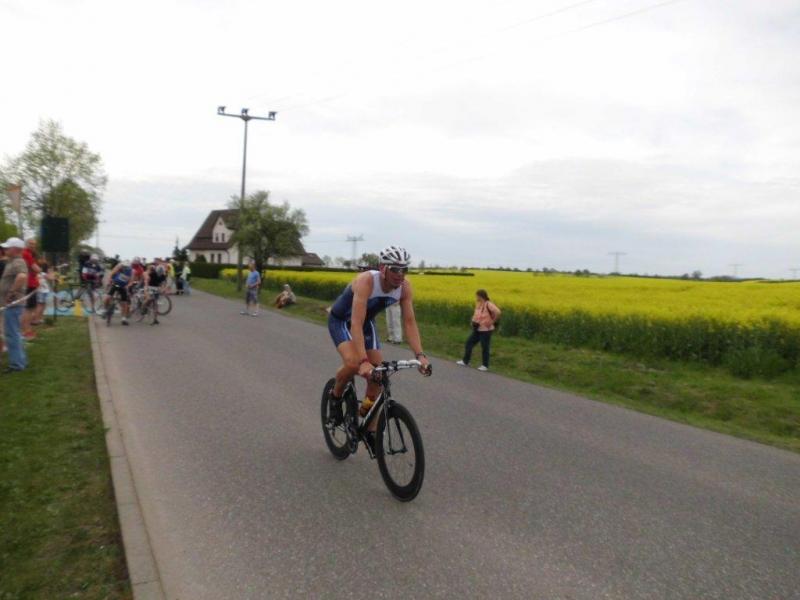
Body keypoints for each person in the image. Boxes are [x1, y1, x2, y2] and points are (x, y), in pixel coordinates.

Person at [326, 245, 431, 451]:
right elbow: (355, 323)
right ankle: (335, 397)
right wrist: (364, 361)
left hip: (366, 323)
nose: (400, 274)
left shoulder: (404, 287)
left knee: (378, 375)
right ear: (383, 268)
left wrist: (420, 355)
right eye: (395, 269)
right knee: (354, 363)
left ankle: (368, 424)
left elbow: (409, 322)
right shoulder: (366, 281)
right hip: (343, 321)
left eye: (404, 269)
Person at [0, 237, 29, 372]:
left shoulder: (18, 262)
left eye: (7, 247)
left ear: (16, 249)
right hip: (11, 304)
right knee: (13, 333)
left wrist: (11, 292)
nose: (5, 249)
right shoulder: (12, 261)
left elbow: (22, 276)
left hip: (13, 304)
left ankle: (17, 365)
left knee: (12, 334)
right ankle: (20, 361)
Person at [457, 289, 501, 372]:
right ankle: (465, 361)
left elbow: (498, 312)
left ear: (481, 296)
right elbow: (476, 315)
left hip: (486, 330)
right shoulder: (479, 304)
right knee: (469, 343)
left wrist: (492, 322)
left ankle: (485, 366)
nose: (476, 297)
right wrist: (473, 321)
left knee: (485, 347)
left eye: (477, 296)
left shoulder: (488, 304)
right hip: (477, 329)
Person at [21, 238, 41, 340]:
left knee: (30, 308)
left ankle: (27, 330)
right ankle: (26, 331)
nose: (33, 245)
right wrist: (39, 270)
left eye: (34, 244)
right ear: (26, 244)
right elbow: (36, 268)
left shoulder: (29, 254)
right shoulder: (26, 254)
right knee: (28, 309)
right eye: (30, 243)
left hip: (31, 283)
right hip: (29, 284)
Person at [105, 260, 134, 325]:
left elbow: (131, 281)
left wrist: (127, 286)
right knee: (107, 298)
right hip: (115, 284)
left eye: (126, 267)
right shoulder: (118, 267)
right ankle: (105, 310)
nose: (124, 268)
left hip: (123, 287)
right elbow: (111, 274)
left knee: (124, 303)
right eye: (123, 267)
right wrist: (109, 281)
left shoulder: (131, 271)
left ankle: (124, 319)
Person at [32, 259, 54, 325]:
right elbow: (51, 278)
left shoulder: (39, 274)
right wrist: (51, 271)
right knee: (40, 305)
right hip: (41, 291)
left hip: (43, 291)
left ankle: (40, 318)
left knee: (42, 305)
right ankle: (36, 320)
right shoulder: (42, 274)